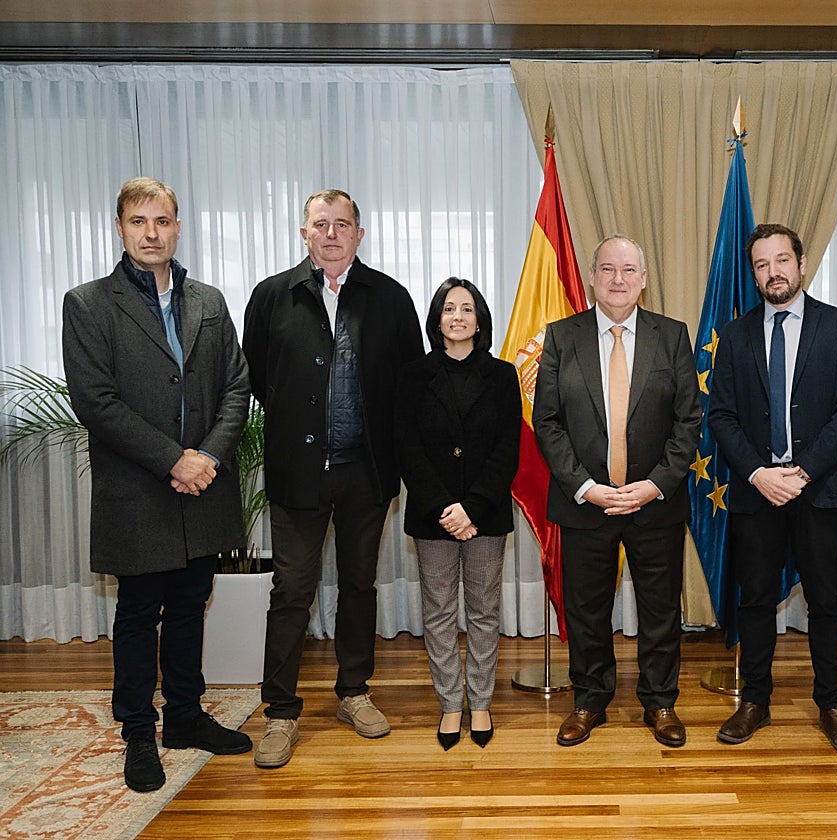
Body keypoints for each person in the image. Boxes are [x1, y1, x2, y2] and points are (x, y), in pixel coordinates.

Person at [62, 177, 252, 792]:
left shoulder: (209, 301)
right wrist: (174, 460)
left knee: (192, 605)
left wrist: (207, 459)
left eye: (163, 221)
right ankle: (139, 734)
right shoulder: (89, 304)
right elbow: (97, 401)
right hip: (138, 489)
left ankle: (187, 719)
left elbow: (236, 389)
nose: (152, 232)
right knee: (140, 613)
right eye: (139, 221)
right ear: (120, 227)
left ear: (178, 227)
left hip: (205, 488)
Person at [242, 188, 423, 768]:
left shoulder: (390, 298)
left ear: (359, 234)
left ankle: (354, 692)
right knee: (291, 590)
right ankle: (280, 712)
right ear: (304, 234)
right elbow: (258, 380)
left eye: (342, 224)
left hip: (365, 473)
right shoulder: (272, 297)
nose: (331, 234)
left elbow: (407, 385)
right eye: (320, 224)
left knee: (359, 586)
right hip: (298, 476)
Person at [533, 234, 702, 749]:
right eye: (608, 269)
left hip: (655, 502)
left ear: (644, 279)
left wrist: (654, 485)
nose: (618, 280)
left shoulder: (671, 336)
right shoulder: (562, 337)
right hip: (586, 503)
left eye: (629, 271)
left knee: (658, 609)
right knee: (586, 610)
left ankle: (660, 702)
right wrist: (586, 487)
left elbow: (689, 420)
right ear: (592, 276)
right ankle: (588, 701)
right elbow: (547, 422)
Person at [708, 223, 837, 750]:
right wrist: (759, 473)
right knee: (753, 599)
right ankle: (754, 701)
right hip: (757, 490)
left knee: (826, 599)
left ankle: (832, 704)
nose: (773, 272)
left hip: (818, 489)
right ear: (753, 272)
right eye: (761, 264)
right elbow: (722, 416)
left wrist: (801, 472)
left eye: (781, 260)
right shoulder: (734, 334)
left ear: (801, 263)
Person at [397, 277, 521, 750]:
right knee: (439, 612)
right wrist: (446, 508)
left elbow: (507, 449)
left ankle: (482, 700)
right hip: (433, 516)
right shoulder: (412, 376)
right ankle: (452, 704)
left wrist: (472, 507)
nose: (458, 317)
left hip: (485, 514)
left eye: (467, 309)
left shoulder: (503, 374)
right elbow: (406, 448)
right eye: (449, 308)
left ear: (480, 319)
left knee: (485, 611)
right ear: (437, 319)